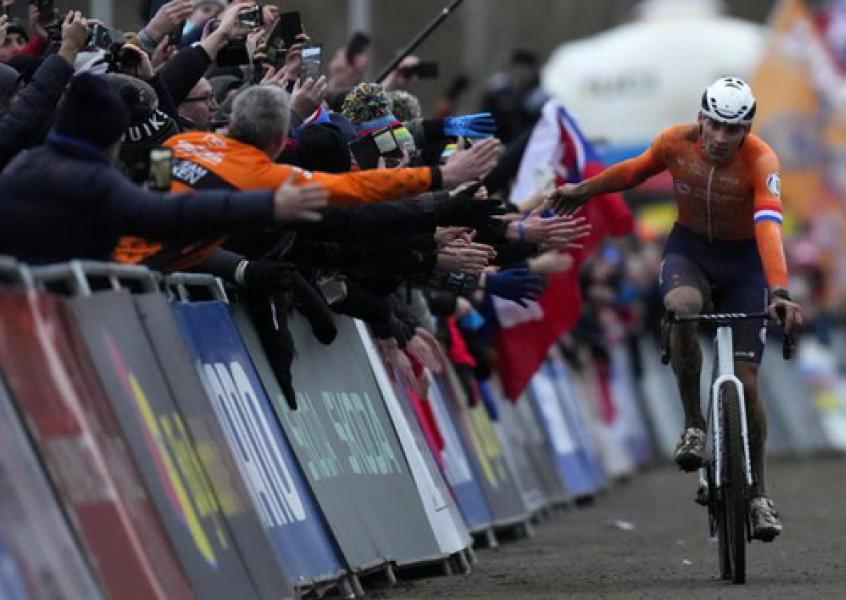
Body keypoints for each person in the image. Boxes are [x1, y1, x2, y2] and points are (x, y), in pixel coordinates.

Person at [548, 77, 803, 542]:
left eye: (734, 130)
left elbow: (768, 226)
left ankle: (761, 495)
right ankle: (693, 424)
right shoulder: (673, 141)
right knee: (682, 308)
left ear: (747, 130)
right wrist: (584, 190)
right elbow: (631, 172)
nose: (722, 139)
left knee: (746, 382)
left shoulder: (762, 160)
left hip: (744, 265)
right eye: (716, 126)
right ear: (700, 117)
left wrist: (779, 291)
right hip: (691, 253)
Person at [113, 84, 502, 271]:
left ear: (231, 122)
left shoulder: (181, 142)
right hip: (135, 275)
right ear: (279, 140)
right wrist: (442, 175)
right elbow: (359, 189)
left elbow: (153, 191)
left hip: (103, 250)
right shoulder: (268, 178)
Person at [0, 73, 326, 265]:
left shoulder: (24, 163)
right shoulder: (98, 183)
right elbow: (168, 211)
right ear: (112, 137)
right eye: (205, 99)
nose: (213, 106)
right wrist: (268, 204)